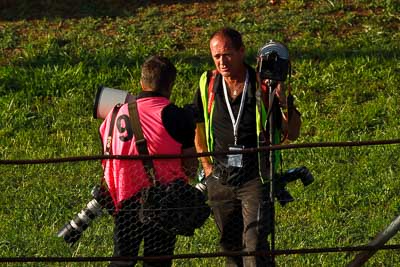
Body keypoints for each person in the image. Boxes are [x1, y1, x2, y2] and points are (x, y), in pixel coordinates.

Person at [193, 27, 301, 267]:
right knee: (229, 246)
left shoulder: (263, 85)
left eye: (227, 54)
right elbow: (197, 127)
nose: (222, 61)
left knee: (254, 244)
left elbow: (292, 133)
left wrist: (284, 103)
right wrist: (206, 166)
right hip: (220, 177)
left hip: (254, 178)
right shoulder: (207, 83)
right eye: (216, 56)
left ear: (242, 52)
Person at [99, 55, 197, 267]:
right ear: (170, 85)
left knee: (122, 259)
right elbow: (190, 167)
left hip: (125, 201)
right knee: (157, 263)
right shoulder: (177, 116)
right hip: (164, 202)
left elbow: (106, 152)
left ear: (141, 81)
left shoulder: (115, 112)